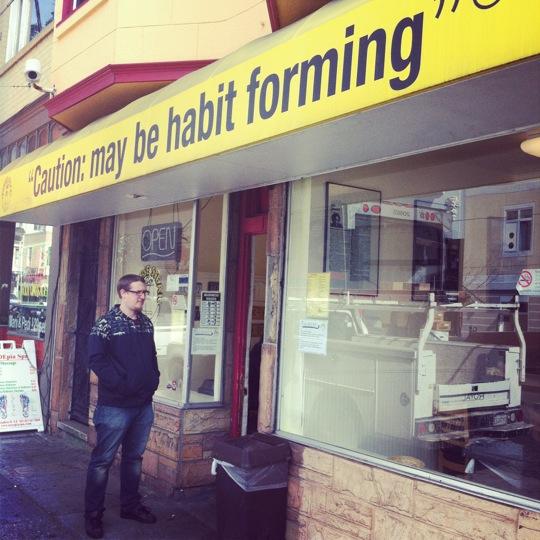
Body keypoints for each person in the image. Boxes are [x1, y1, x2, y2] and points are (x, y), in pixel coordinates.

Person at [84, 274, 160, 539]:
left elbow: (151, 356)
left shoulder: (146, 323)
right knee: (102, 461)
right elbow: (96, 359)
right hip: (115, 406)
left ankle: (130, 506)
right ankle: (93, 515)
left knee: (133, 459)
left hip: (143, 406)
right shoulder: (106, 324)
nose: (142, 296)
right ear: (122, 293)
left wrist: (153, 379)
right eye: (137, 292)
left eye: (144, 292)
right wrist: (121, 384)